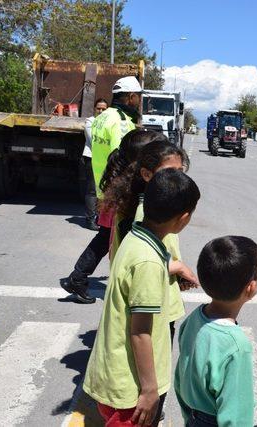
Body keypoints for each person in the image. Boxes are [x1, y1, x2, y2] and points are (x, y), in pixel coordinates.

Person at [83, 169, 201, 427]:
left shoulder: (136, 236)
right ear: (183, 218)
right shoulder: (148, 261)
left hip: (116, 374)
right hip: (130, 389)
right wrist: (149, 390)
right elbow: (140, 333)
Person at [103, 139, 197, 341]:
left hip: (159, 295)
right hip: (152, 302)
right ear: (146, 175)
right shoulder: (143, 213)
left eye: (181, 171)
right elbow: (141, 260)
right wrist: (178, 268)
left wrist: (175, 276)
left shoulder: (158, 207)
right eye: (170, 171)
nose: (177, 177)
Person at [61, 129, 157, 304]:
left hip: (112, 207)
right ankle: (78, 278)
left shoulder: (123, 160)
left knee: (102, 241)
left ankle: (77, 278)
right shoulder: (133, 174)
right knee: (108, 243)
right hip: (118, 209)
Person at [174, 236, 257, 427]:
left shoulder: (195, 318)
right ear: (251, 287)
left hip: (193, 415)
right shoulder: (236, 345)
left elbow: (182, 377)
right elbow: (237, 416)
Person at [82, 98, 109, 231]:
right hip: (92, 158)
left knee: (103, 190)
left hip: (104, 160)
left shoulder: (108, 122)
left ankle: (100, 217)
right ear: (94, 109)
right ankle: (89, 219)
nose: (101, 111)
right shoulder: (90, 121)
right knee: (92, 190)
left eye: (104, 109)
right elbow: (95, 140)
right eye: (99, 108)